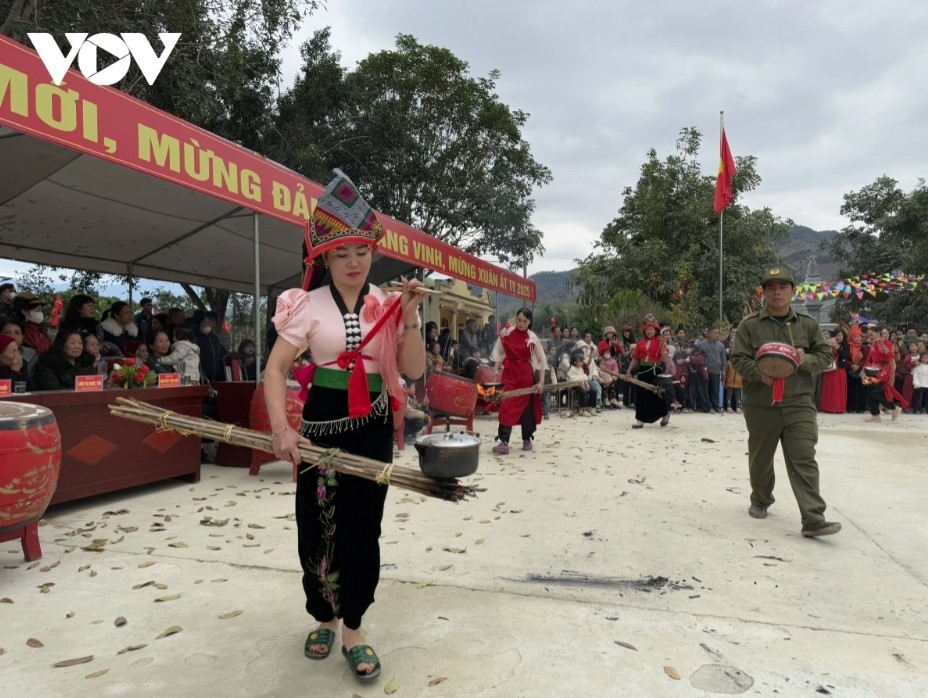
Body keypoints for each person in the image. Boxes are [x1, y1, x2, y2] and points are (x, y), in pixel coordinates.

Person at [264, 169, 425, 682]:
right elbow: (275, 370)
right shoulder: (304, 305)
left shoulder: (389, 303)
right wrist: (282, 429)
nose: (353, 262)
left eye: (361, 252)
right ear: (324, 258)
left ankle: (354, 625)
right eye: (341, 254)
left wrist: (414, 316)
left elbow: (416, 370)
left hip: (373, 428)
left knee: (364, 529)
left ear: (373, 253)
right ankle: (325, 616)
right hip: (319, 430)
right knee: (316, 527)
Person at [730, 266, 841, 538]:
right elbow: (738, 359)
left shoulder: (807, 324)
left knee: (804, 456)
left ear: (793, 290)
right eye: (770, 287)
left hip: (798, 403)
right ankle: (761, 498)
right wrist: (760, 374)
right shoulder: (750, 325)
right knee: (760, 457)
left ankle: (813, 518)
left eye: (782, 286)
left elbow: (826, 355)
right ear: (763, 293)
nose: (776, 291)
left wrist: (806, 360)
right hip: (761, 403)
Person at [490, 308, 547, 454]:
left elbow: (541, 361)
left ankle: (527, 439)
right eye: (519, 320)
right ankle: (503, 441)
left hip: (525, 375)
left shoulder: (532, 337)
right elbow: (499, 351)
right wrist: (496, 369)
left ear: (529, 322)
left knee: (527, 407)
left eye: (525, 321)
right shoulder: (506, 332)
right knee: (506, 403)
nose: (521, 323)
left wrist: (540, 383)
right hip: (509, 374)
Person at [626, 319, 670, 428]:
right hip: (643, 370)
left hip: (655, 369)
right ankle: (639, 420)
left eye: (651, 329)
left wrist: (663, 347)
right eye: (647, 330)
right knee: (640, 395)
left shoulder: (660, 342)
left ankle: (665, 414)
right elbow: (635, 359)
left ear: (655, 331)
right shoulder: (640, 343)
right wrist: (628, 371)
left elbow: (664, 359)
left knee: (656, 393)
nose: (649, 331)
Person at [861, 325, 902, 422]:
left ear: (878, 333)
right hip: (872, 371)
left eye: (872, 334)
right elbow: (869, 359)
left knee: (876, 392)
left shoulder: (886, 342)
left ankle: (894, 408)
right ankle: (875, 415)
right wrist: (863, 370)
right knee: (869, 394)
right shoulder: (874, 344)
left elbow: (889, 355)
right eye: (868, 335)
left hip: (883, 371)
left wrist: (882, 343)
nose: (870, 337)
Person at [819, 328, 848, 414]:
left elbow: (845, 356)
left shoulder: (845, 345)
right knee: (829, 388)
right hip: (830, 368)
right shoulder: (828, 345)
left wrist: (837, 347)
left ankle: (838, 407)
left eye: (840, 335)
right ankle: (827, 407)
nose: (838, 337)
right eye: (837, 335)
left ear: (843, 336)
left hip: (840, 369)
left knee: (838, 389)